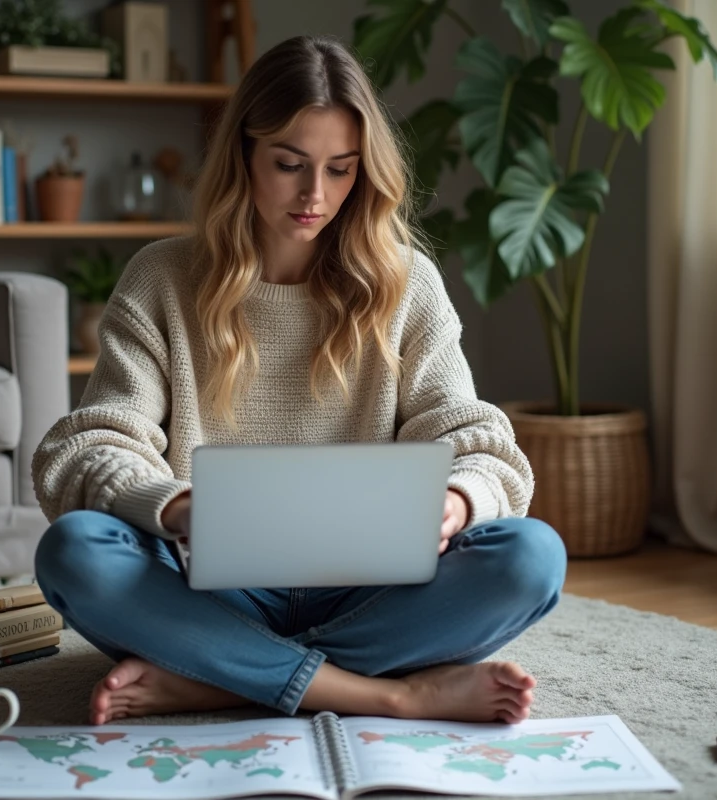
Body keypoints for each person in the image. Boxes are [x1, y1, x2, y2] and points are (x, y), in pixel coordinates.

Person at [31, 34, 566, 727]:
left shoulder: (407, 284)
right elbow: (89, 448)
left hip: (372, 589)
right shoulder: (162, 278)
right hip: (210, 586)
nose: (317, 195)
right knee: (75, 553)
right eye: (290, 165)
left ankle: (216, 678)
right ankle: (386, 692)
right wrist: (178, 506)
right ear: (243, 156)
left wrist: (459, 502)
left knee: (530, 558)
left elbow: (478, 441)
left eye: (342, 170)